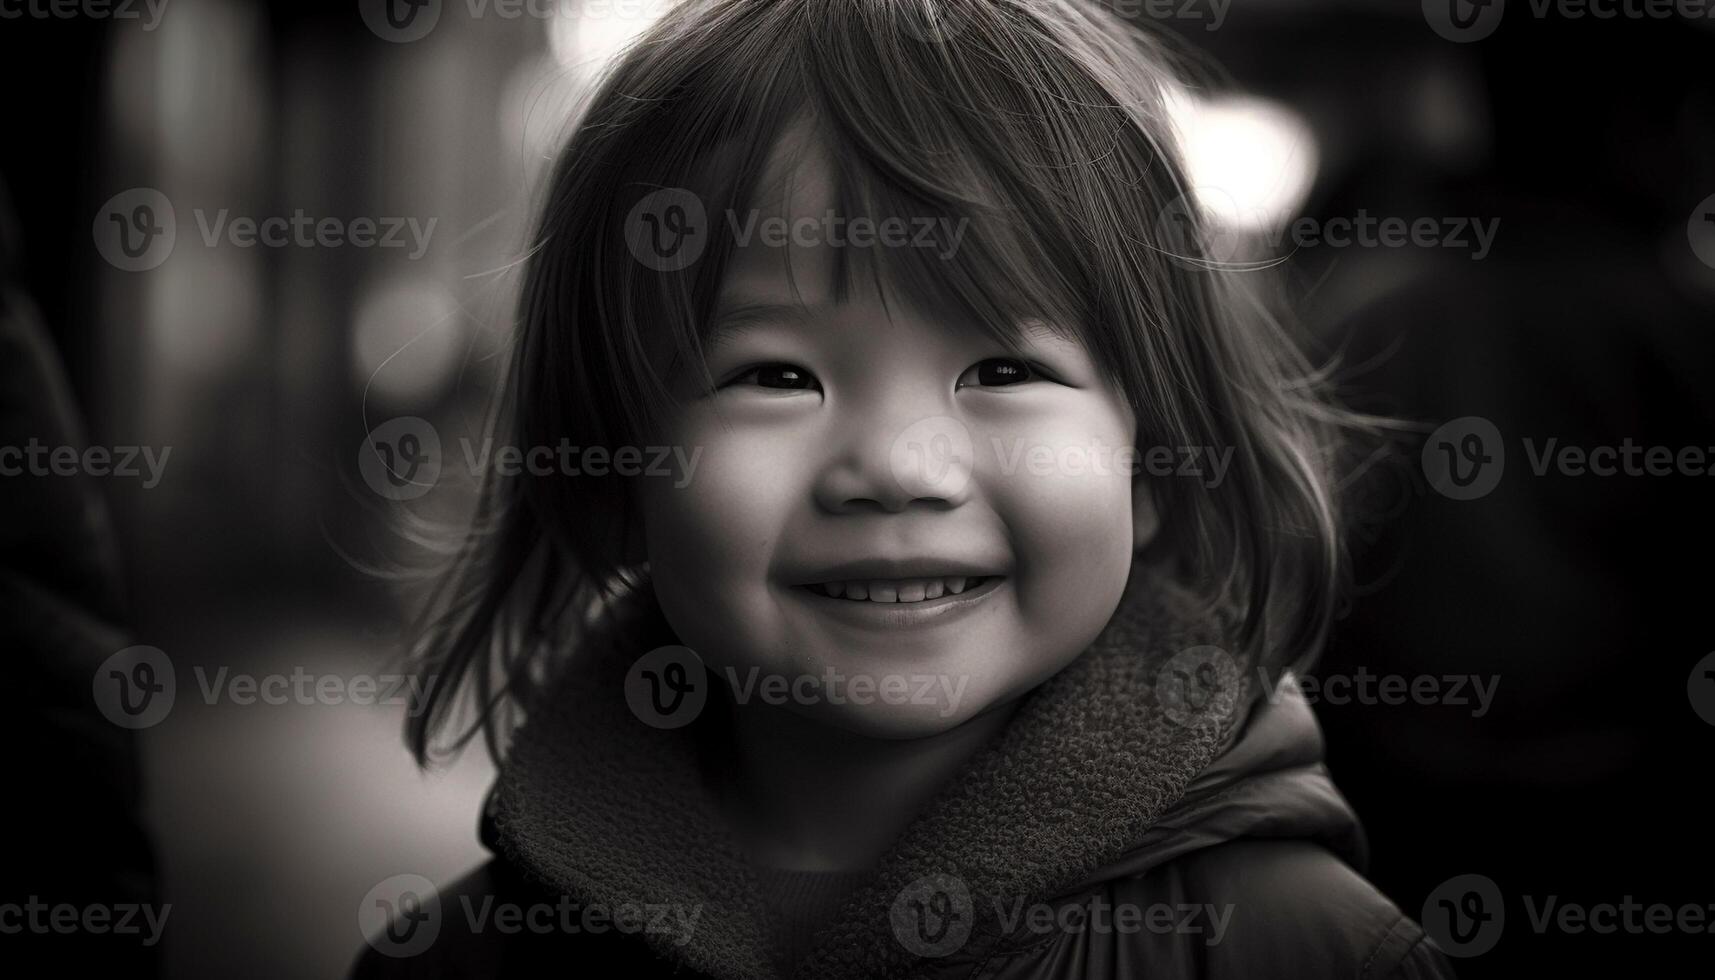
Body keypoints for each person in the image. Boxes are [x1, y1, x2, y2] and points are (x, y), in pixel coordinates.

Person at [351, 2, 1453, 977]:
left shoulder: (1303, 949)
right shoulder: (459, 959)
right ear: (609, 465)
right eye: (775, 376)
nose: (895, 465)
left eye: (1004, 372)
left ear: (1154, 459)